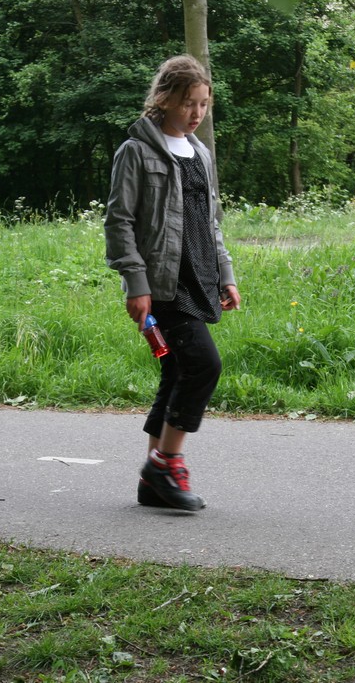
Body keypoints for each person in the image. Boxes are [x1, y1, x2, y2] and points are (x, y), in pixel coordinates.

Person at [104, 55, 241, 512]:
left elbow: (210, 221)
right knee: (203, 365)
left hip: (199, 275)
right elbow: (120, 221)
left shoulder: (199, 152)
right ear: (164, 99)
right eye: (188, 103)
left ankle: (152, 483)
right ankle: (166, 464)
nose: (197, 113)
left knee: (177, 371)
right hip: (163, 282)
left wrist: (225, 274)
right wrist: (135, 282)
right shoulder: (137, 151)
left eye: (203, 104)